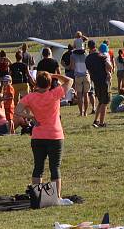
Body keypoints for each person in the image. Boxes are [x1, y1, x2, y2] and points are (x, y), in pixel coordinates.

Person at [15, 70, 74, 200]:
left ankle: (37, 196)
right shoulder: (54, 94)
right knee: (55, 167)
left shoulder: (30, 97)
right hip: (55, 135)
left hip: (38, 136)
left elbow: (17, 111)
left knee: (38, 167)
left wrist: (31, 117)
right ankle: (56, 196)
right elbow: (70, 81)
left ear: (36, 83)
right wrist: (55, 75)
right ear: (49, 84)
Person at [85, 40, 113, 128]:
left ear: (88, 47)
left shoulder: (87, 59)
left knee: (100, 102)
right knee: (105, 102)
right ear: (95, 46)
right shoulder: (101, 56)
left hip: (95, 81)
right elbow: (110, 67)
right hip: (104, 81)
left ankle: (96, 120)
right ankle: (101, 123)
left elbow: (89, 71)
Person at [70, 43, 91, 117]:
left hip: (78, 76)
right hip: (86, 75)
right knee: (86, 94)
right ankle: (85, 112)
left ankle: (81, 112)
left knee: (79, 95)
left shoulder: (73, 55)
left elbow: (72, 67)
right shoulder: (86, 54)